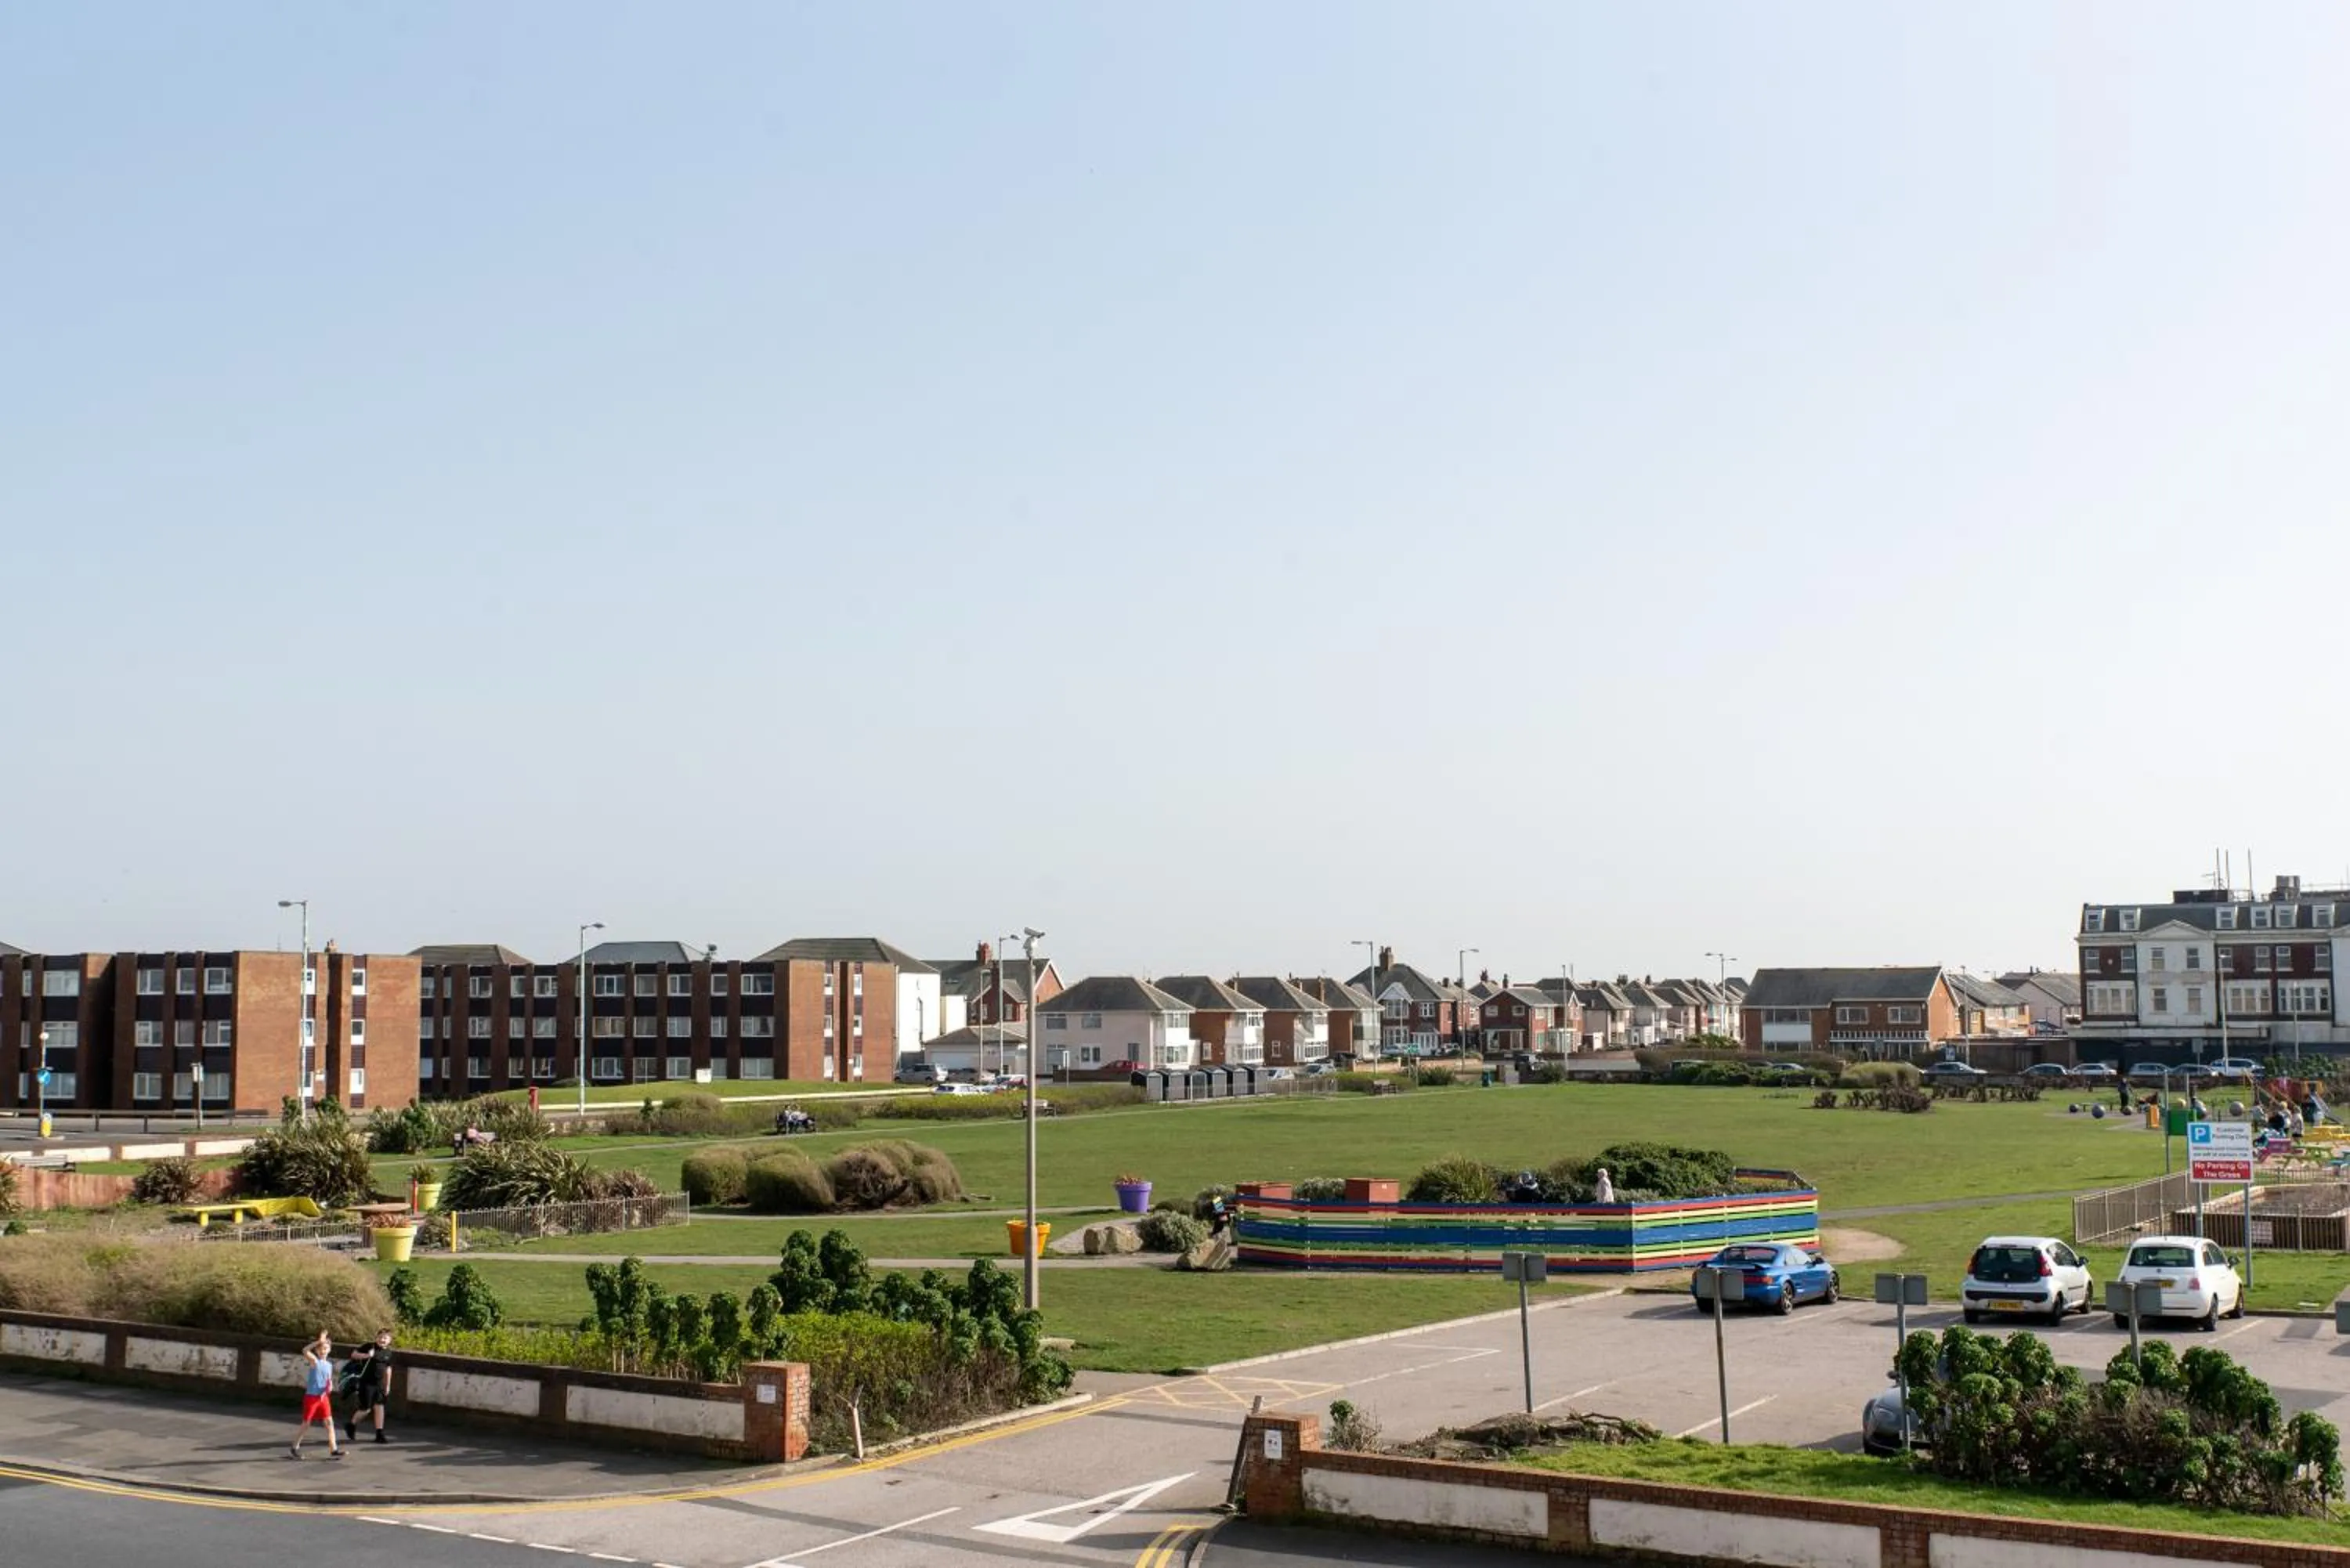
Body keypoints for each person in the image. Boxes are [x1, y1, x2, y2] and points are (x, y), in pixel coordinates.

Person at [291, 1331, 343, 1460]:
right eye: (320, 1349)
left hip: (323, 1398)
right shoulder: (315, 1361)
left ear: (329, 1349)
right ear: (317, 1350)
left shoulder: (329, 1365)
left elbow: (328, 1380)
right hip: (312, 1398)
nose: (323, 1351)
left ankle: (334, 1449)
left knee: (330, 1423)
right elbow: (304, 1350)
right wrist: (319, 1341)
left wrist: (329, 1386)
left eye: (325, 1348)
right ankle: (294, 1448)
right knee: (306, 1424)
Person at [342, 1328, 394, 1444]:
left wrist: (388, 1385)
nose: (382, 1340)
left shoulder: (389, 1353)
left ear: (390, 1340)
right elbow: (354, 1355)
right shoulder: (369, 1346)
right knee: (366, 1408)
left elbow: (388, 1370)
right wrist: (367, 1355)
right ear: (376, 1338)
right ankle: (351, 1424)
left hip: (379, 1383)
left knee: (380, 1406)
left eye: (385, 1338)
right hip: (367, 1382)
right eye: (380, 1337)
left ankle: (379, 1433)